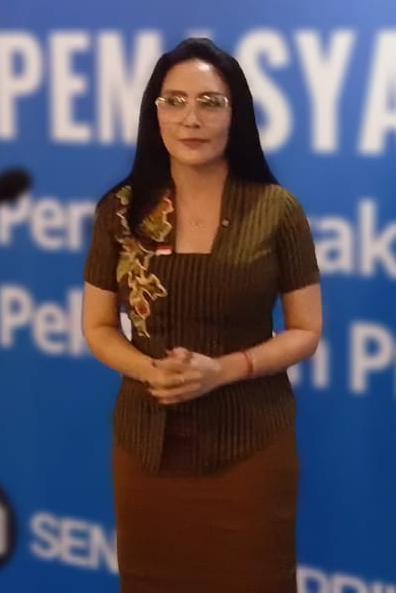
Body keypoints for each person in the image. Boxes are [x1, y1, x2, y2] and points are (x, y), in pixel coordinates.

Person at [79, 37, 323, 592]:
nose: (191, 118)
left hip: (249, 444)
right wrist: (151, 371)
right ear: (155, 113)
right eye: (175, 101)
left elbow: (306, 330)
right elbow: (97, 326)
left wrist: (221, 371)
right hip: (147, 447)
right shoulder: (121, 211)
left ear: (236, 115)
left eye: (210, 103)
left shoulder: (275, 210)